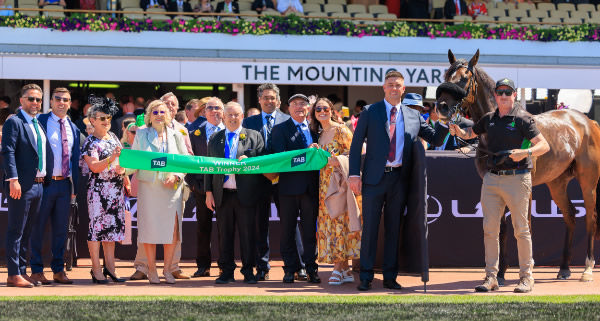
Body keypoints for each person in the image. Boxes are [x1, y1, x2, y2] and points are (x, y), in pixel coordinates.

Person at [348, 71, 449, 291]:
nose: (394, 88)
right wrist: (354, 174)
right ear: (384, 88)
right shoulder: (370, 112)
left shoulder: (414, 116)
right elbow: (356, 146)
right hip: (374, 180)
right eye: (390, 84)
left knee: (394, 230)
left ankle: (390, 277)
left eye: (398, 85)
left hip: (399, 180)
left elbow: (435, 138)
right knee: (370, 230)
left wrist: (443, 120)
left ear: (404, 89)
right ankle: (365, 276)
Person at [449, 78, 550, 293]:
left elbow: (544, 145)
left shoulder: (523, 118)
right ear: (495, 95)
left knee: (521, 230)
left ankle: (526, 277)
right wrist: (458, 131)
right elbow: (470, 134)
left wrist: (524, 152)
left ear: (514, 95)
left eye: (508, 92)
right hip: (492, 179)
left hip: (518, 178)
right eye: (500, 92)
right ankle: (491, 277)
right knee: (490, 230)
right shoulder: (489, 119)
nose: (503, 95)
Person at [242, 83, 307, 282]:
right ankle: (262, 267)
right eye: (265, 98)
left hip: (285, 181)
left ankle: (299, 266)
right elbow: (245, 148)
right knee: (260, 223)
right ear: (259, 100)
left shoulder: (289, 120)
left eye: (273, 98)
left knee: (291, 224)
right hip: (258, 180)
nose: (269, 101)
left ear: (278, 101)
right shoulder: (248, 122)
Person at [129, 100, 188, 284]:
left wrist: (177, 176)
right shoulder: (141, 134)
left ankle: (168, 270)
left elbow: (184, 161)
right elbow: (134, 159)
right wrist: (119, 168)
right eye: (155, 112)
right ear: (149, 115)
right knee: (149, 230)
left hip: (172, 190)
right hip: (149, 188)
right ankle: (152, 270)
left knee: (172, 231)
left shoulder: (177, 135)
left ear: (168, 115)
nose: (159, 115)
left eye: (162, 112)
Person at [205, 102, 265, 284]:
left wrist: (251, 159)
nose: (232, 118)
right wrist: (208, 192)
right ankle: (227, 271)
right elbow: (208, 166)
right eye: (229, 114)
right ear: (223, 116)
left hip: (245, 194)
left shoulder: (255, 136)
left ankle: (248, 271)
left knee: (248, 235)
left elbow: (263, 162)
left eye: (236, 115)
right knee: (224, 235)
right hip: (222, 194)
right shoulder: (215, 138)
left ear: (242, 117)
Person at [2, 84, 54, 288]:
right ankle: (13, 274)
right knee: (16, 231)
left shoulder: (37, 124)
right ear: (21, 101)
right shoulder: (14, 122)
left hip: (39, 185)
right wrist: (13, 179)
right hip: (21, 185)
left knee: (27, 231)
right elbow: (8, 152)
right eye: (31, 99)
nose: (35, 103)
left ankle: (22, 272)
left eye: (38, 100)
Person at [29, 88, 81, 285]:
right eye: (57, 99)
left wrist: (74, 188)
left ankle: (58, 270)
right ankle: (36, 270)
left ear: (69, 103)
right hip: (44, 184)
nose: (61, 102)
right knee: (38, 228)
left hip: (65, 185)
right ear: (50, 101)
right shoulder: (39, 122)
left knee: (61, 230)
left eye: (66, 100)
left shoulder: (74, 127)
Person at [310, 98, 361, 285]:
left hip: (339, 186)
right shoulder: (319, 134)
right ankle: (345, 269)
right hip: (324, 187)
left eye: (325, 108)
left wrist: (337, 160)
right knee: (330, 227)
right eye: (318, 109)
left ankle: (338, 269)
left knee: (340, 223)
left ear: (332, 111)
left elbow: (358, 151)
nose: (322, 111)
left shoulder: (341, 130)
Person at [271, 93, 320, 284]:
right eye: (295, 104)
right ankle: (290, 269)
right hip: (288, 188)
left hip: (311, 188)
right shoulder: (280, 129)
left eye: (303, 104)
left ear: (308, 108)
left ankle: (311, 269)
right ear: (288, 108)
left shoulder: (316, 129)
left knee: (309, 232)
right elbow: (280, 157)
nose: (299, 107)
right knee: (288, 231)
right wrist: (307, 152)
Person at [80, 95, 127, 284]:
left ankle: (111, 268)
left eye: (108, 118)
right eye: (101, 118)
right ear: (92, 120)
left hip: (116, 190)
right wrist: (110, 159)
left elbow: (122, 161)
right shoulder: (90, 142)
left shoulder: (114, 137)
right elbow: (94, 167)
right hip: (98, 191)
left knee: (112, 231)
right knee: (96, 231)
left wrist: (122, 170)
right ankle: (96, 269)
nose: (106, 121)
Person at [186, 97, 224, 278]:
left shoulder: (231, 131)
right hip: (201, 188)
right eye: (210, 108)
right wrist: (193, 184)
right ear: (204, 112)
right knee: (203, 228)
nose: (214, 111)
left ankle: (225, 265)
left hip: (226, 187)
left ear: (222, 112)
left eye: (218, 108)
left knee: (225, 228)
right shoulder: (194, 133)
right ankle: (203, 266)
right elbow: (188, 162)